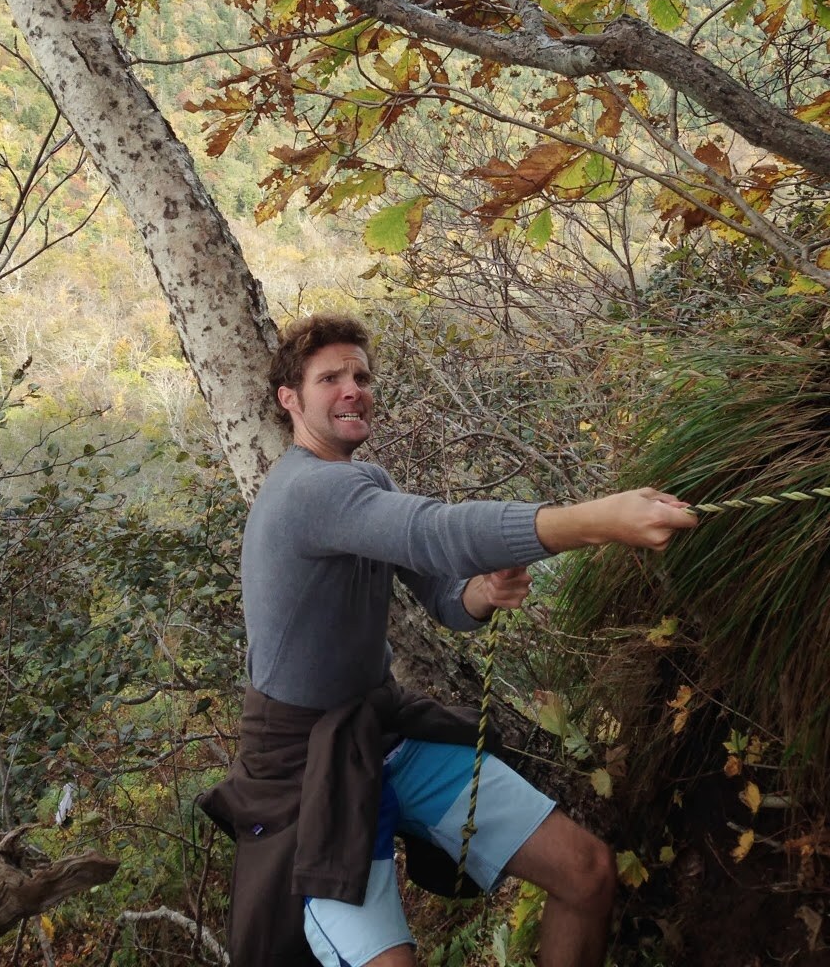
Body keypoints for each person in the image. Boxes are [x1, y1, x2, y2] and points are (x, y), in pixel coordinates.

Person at [199, 313, 697, 967]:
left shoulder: (361, 483)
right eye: (330, 379)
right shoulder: (305, 493)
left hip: (385, 732)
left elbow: (442, 595)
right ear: (289, 400)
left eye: (361, 375)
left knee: (587, 872)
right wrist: (599, 520)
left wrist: (482, 595)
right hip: (308, 769)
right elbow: (440, 533)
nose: (353, 388)